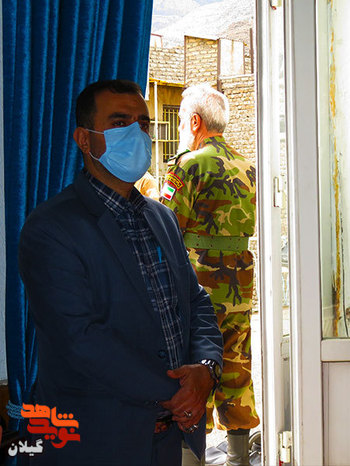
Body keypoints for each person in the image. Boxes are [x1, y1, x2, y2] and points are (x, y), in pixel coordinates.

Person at [18, 79, 223, 465]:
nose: (137, 133)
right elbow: (79, 339)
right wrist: (179, 392)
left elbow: (195, 301)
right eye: (119, 123)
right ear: (84, 139)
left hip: (168, 438)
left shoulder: (161, 217)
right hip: (94, 442)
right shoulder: (51, 228)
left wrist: (206, 369)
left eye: (143, 123)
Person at [160, 83, 258, 466]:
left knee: (194, 370)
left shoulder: (189, 164)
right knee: (236, 368)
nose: (182, 127)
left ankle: (191, 459)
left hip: (199, 289)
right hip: (239, 289)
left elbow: (165, 226)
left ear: (195, 122)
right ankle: (238, 458)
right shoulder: (247, 167)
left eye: (182, 121)